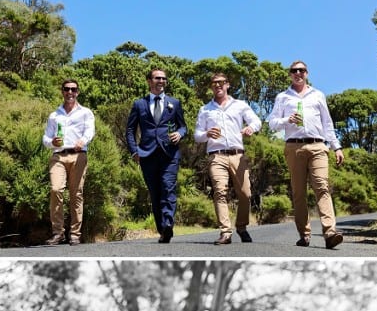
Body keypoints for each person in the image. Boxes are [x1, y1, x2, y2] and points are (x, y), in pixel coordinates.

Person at [267, 61, 345, 249]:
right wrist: (287, 119)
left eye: (301, 70)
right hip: (294, 148)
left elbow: (327, 123)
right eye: (294, 71)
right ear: (290, 74)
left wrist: (337, 147)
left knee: (322, 187)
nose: (298, 73)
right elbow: (272, 123)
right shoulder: (283, 97)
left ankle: (330, 232)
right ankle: (304, 234)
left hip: (318, 146)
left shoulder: (318, 95)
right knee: (299, 192)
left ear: (307, 73)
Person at [193, 73, 261, 246]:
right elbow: (197, 135)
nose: (218, 86)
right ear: (211, 87)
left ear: (228, 85)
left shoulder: (240, 105)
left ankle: (242, 226)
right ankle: (225, 232)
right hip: (216, 155)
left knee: (246, 194)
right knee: (219, 191)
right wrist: (207, 134)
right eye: (214, 83)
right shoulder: (205, 109)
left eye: (221, 83)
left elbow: (256, 121)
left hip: (238, 155)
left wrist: (250, 128)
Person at [126, 68, 187, 244]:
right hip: (147, 154)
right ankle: (162, 229)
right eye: (157, 78)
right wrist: (134, 151)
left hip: (170, 154)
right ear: (149, 81)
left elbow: (183, 126)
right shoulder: (139, 104)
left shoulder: (174, 103)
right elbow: (130, 130)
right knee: (155, 193)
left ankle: (168, 223)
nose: (161, 81)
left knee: (168, 188)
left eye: (163, 78)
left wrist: (180, 134)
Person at [42, 79, 95, 247]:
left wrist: (83, 140)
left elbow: (90, 131)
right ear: (62, 91)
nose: (70, 92)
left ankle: (74, 234)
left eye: (73, 89)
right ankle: (58, 233)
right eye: (66, 89)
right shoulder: (54, 115)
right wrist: (52, 142)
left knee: (76, 194)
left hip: (78, 155)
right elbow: (45, 138)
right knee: (56, 189)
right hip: (58, 156)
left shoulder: (85, 112)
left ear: (77, 92)